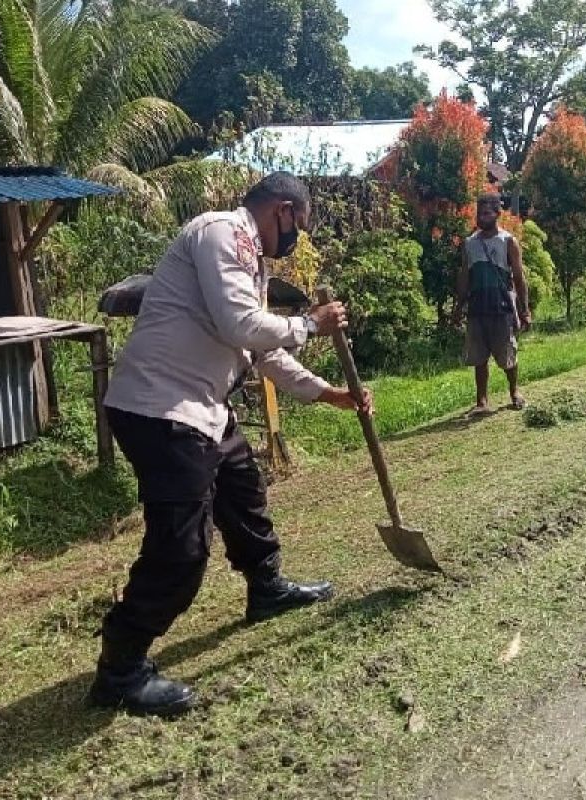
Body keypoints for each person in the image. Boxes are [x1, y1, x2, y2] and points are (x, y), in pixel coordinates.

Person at [91, 172, 375, 717]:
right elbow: (244, 326)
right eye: (300, 226)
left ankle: (264, 587)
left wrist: (329, 394)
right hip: (161, 410)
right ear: (284, 211)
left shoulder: (250, 261)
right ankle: (120, 669)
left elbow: (262, 350)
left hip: (203, 407)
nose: (296, 241)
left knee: (243, 489)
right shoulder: (222, 233)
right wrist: (310, 325)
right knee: (181, 548)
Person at [453, 193, 532, 413]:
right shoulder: (470, 243)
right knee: (479, 357)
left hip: (501, 306)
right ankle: (482, 401)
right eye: (480, 213)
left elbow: (518, 277)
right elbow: (465, 276)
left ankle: (514, 391)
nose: (482, 217)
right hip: (477, 307)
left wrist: (525, 310)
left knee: (507, 352)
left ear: (497, 214)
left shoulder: (508, 241)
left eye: (487, 213)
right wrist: (458, 307)